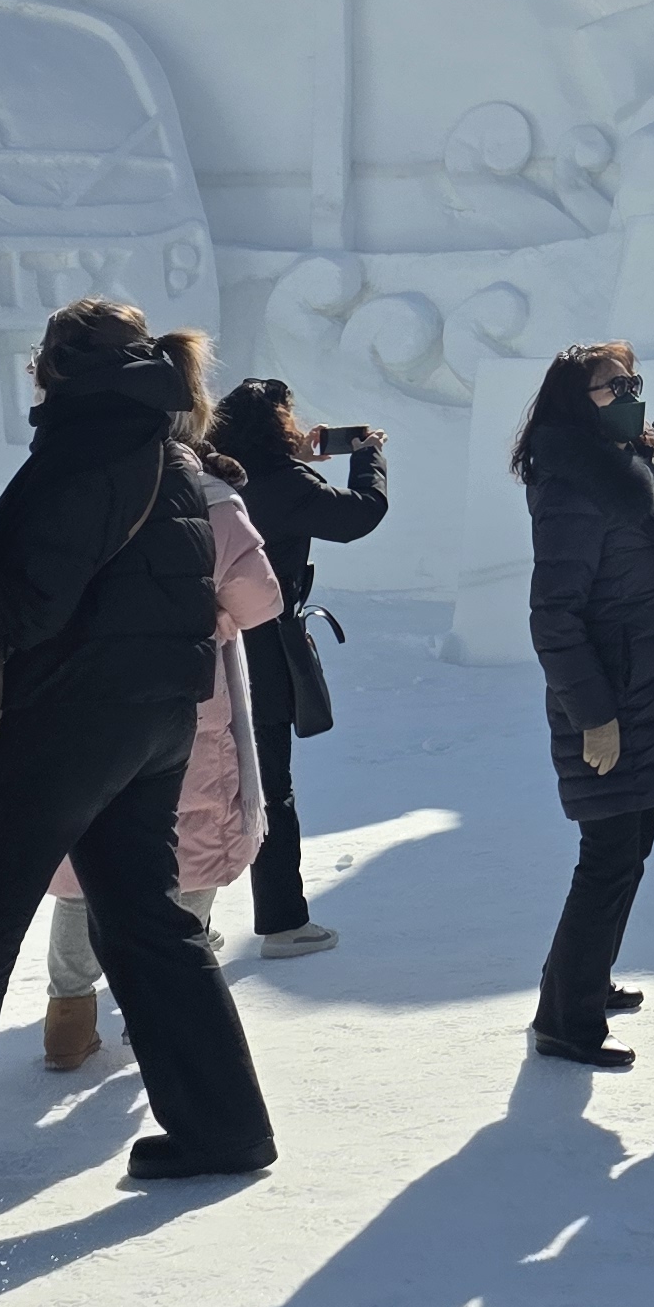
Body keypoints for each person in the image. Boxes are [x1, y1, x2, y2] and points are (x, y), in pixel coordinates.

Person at [0, 302, 277, 1195]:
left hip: (67, 719)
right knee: (149, 925)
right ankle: (226, 1128)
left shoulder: (84, 449)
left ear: (52, 369)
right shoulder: (168, 451)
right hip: (160, 718)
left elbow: (29, 600)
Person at [38, 448, 288, 1069]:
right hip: (185, 694)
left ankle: (68, 1017)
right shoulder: (210, 497)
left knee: (86, 859)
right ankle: (158, 1016)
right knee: (191, 848)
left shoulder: (60, 477)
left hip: (82, 693)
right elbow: (259, 601)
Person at [518, 340, 654, 1069]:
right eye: (613, 387)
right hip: (611, 699)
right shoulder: (573, 486)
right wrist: (594, 717)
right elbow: (554, 615)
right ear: (576, 402)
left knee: (628, 851)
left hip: (644, 690)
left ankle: (582, 980)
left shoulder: (622, 468)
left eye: (633, 383)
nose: (630, 395)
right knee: (608, 858)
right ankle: (565, 1021)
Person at [208, 377, 390, 958]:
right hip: (261, 645)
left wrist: (299, 457)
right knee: (269, 785)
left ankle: (188, 916)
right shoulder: (287, 482)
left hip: (200, 643)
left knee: (200, 780)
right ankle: (283, 922)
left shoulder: (208, 473)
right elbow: (360, 514)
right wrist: (368, 457)